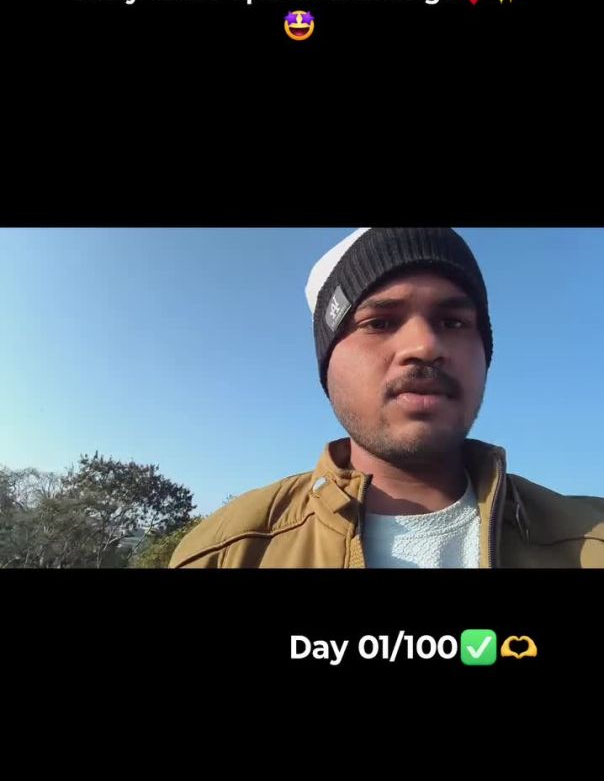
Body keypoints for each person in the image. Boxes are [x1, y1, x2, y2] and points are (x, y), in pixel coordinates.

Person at [169, 227, 604, 569]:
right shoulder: (225, 554)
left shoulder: (592, 544)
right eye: (379, 322)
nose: (425, 345)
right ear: (327, 363)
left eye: (453, 322)